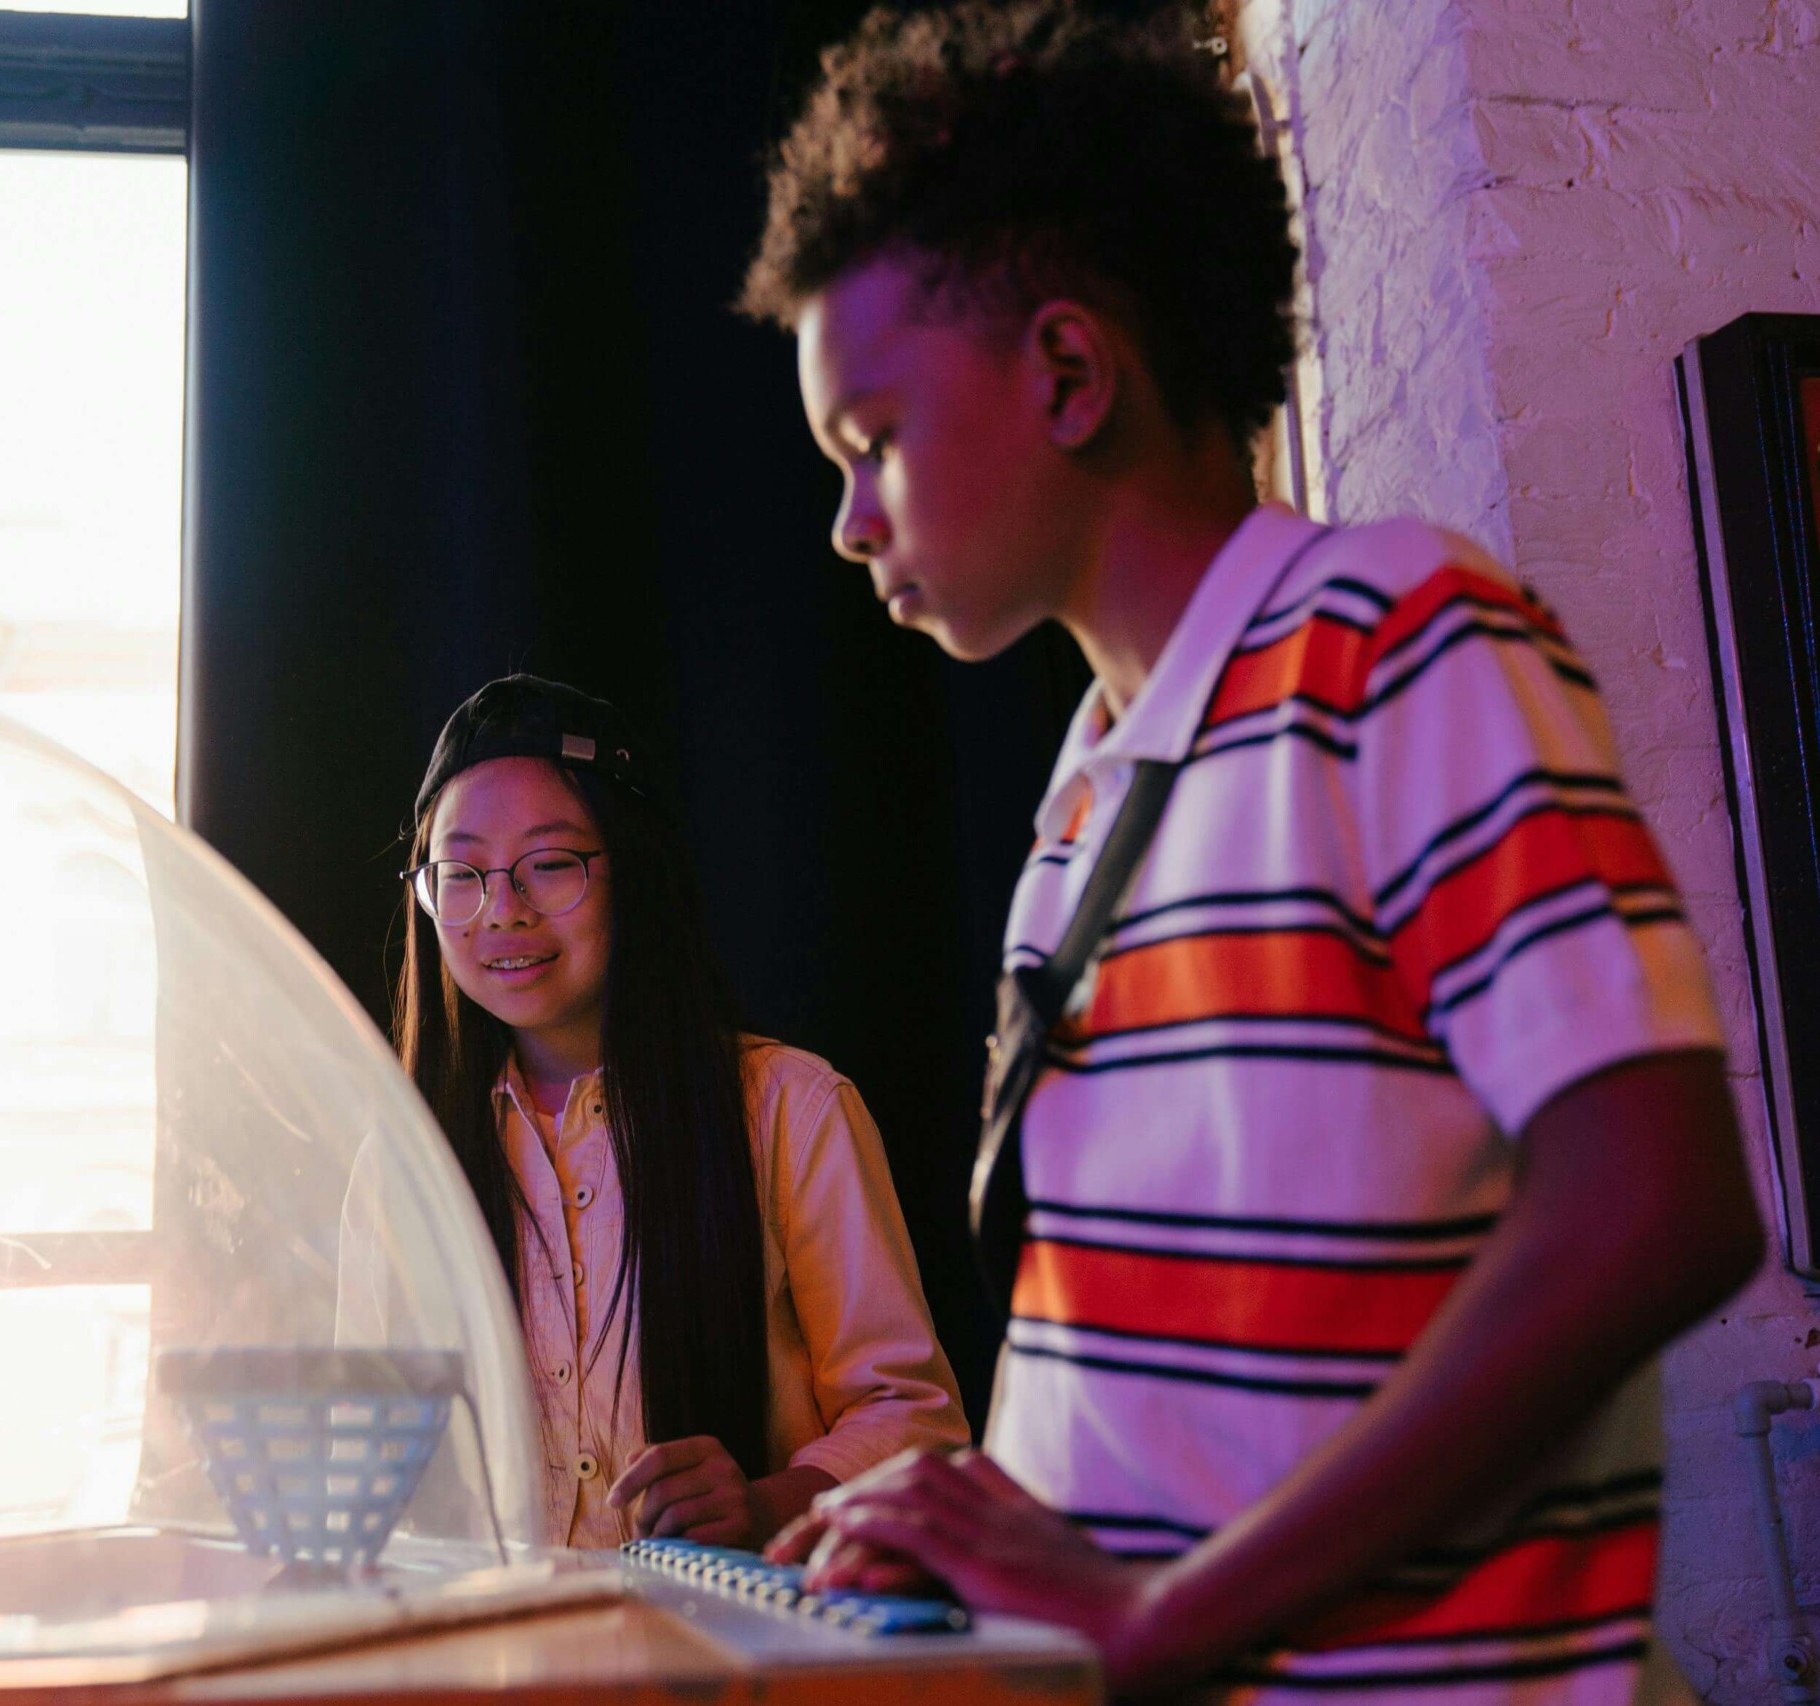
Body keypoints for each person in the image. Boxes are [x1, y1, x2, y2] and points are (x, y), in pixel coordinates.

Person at [740, 5, 1763, 1701]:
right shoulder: (1092, 783)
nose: (852, 523)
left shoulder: (1396, 632)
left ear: (1070, 374)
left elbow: (1658, 1199)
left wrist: (1170, 1616)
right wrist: (1000, 1508)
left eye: (875, 443)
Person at [347, 674, 966, 1550]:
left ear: (633, 870)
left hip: (735, 1658)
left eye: (551, 864)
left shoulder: (789, 1109)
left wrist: (767, 1503)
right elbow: (364, 1458)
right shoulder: (401, 1162)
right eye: (462, 874)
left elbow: (917, 1420)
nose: (502, 911)